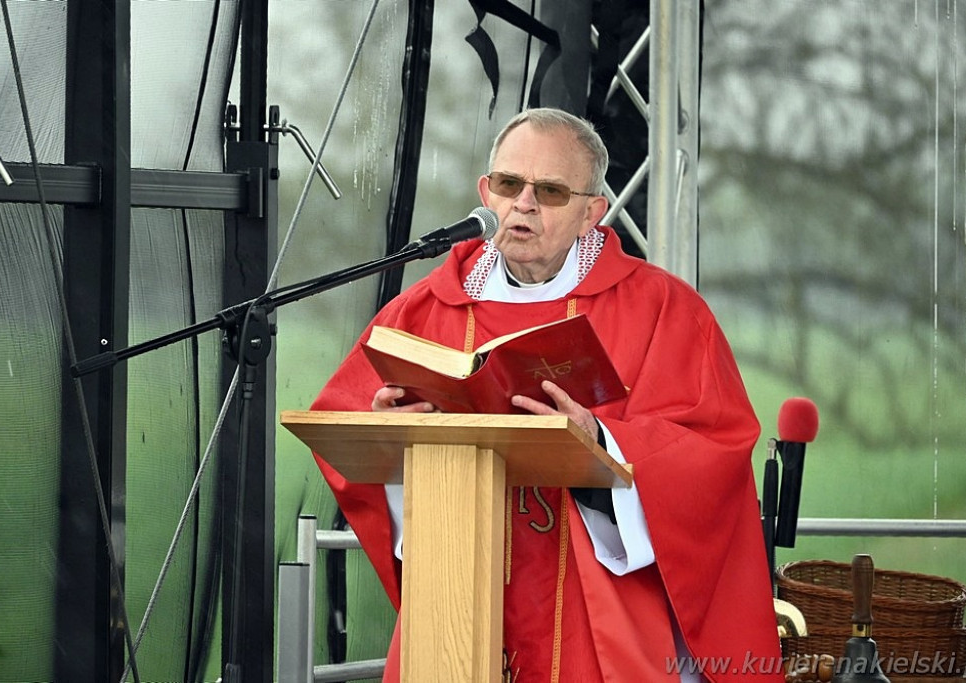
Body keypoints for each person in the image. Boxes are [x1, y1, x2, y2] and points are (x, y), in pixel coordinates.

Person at [310, 107, 782, 682]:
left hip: (599, 618)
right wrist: (388, 432)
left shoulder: (662, 310)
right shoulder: (424, 310)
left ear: (592, 213)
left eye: (551, 191)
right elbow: (340, 419)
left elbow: (714, 454)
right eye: (509, 185)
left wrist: (602, 443)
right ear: (486, 193)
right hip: (452, 609)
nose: (524, 204)